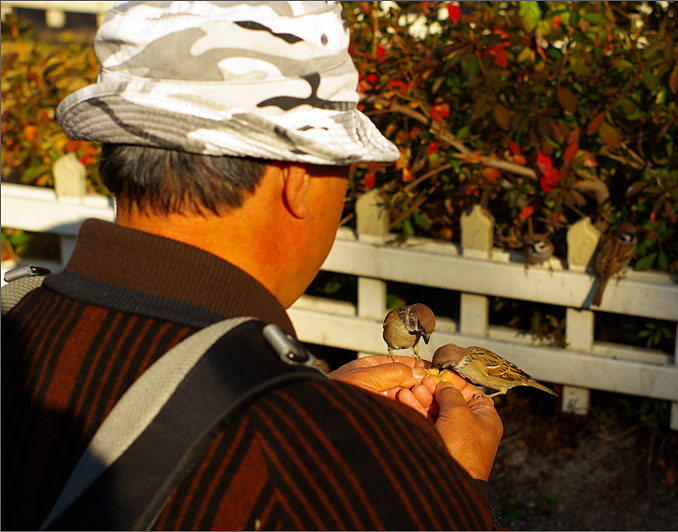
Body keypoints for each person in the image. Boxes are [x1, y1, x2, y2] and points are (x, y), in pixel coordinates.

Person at [1, 2, 504, 530]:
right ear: (298, 179)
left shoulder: (15, 327)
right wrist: (458, 491)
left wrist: (310, 403)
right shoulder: (322, 480)